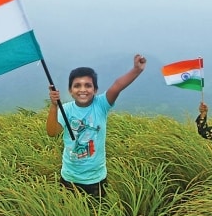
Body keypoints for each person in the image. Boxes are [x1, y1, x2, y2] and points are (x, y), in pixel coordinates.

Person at [46, 54, 147, 200]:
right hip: (69, 177)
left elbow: (117, 86)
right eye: (77, 85)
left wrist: (136, 70)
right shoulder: (66, 109)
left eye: (88, 85)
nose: (83, 89)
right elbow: (52, 132)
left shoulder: (101, 105)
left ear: (95, 89)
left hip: (96, 179)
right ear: (70, 90)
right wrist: (54, 106)